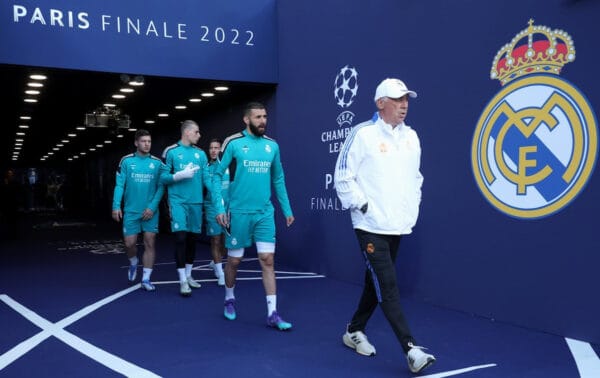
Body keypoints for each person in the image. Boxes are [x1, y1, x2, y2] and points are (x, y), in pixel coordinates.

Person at [334, 78, 436, 374]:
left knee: (375, 282)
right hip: (369, 225)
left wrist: (411, 209)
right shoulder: (362, 133)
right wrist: (362, 204)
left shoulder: (412, 137)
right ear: (381, 103)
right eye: (397, 99)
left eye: (407, 99)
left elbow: (416, 178)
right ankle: (411, 349)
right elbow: (343, 175)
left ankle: (354, 330)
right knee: (388, 285)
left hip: (397, 225)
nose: (404, 104)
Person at [214, 102, 295, 330]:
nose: (263, 121)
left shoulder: (272, 146)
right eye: (258, 117)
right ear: (246, 119)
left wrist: (286, 209)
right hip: (238, 213)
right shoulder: (233, 143)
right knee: (234, 260)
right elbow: (216, 175)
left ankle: (272, 313)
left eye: (265, 117)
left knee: (267, 260)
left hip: (264, 213)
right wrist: (220, 208)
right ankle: (229, 297)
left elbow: (278, 178)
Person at [112, 129, 197, 291]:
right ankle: (133, 262)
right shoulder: (126, 161)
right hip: (131, 210)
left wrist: (152, 207)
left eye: (149, 141)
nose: (147, 144)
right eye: (143, 141)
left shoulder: (158, 163)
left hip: (151, 211)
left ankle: (146, 278)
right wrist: (116, 205)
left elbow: (161, 187)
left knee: (149, 242)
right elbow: (120, 185)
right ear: (136, 143)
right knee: (129, 244)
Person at [162, 120, 212, 297]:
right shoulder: (171, 152)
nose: (199, 135)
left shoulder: (201, 154)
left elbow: (206, 179)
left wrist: (217, 196)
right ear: (187, 132)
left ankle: (189, 275)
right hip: (178, 202)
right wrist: (179, 175)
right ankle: (182, 280)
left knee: (192, 239)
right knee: (181, 237)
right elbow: (163, 178)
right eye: (197, 132)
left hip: (196, 203)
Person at [205, 138, 229, 286]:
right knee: (215, 239)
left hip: (227, 209)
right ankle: (220, 273)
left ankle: (216, 262)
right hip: (212, 207)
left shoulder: (227, 165)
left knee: (225, 242)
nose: (213, 150)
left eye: (216, 148)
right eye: (211, 148)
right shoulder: (205, 168)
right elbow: (209, 186)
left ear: (220, 150)